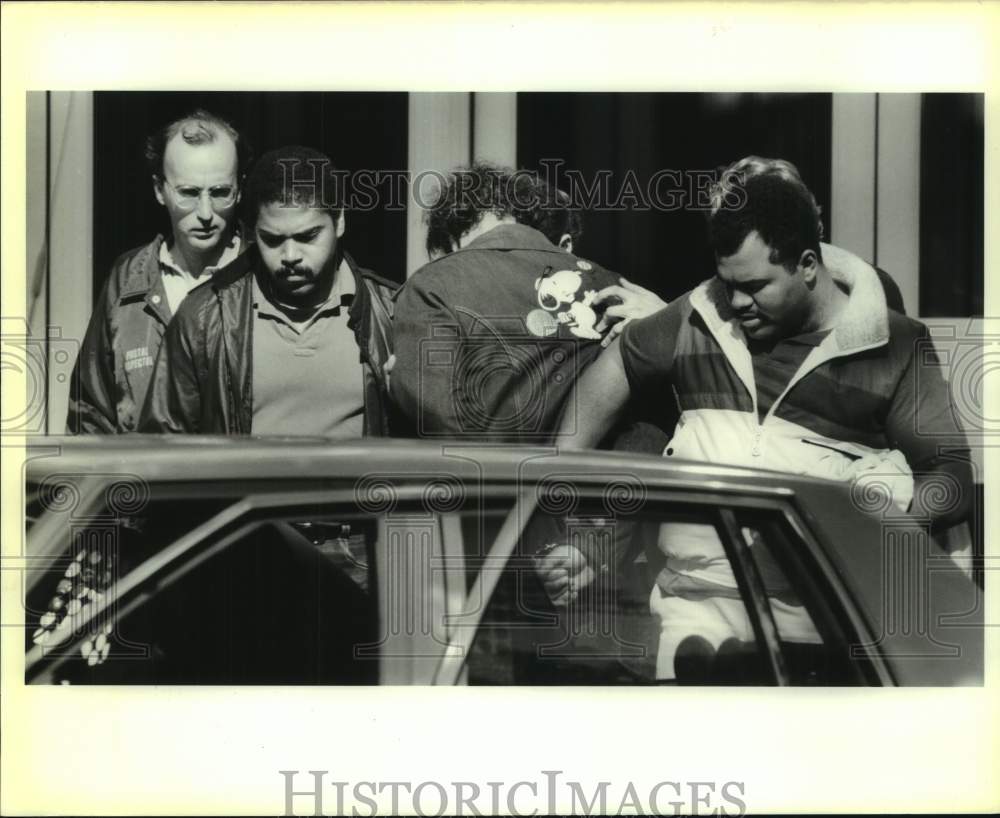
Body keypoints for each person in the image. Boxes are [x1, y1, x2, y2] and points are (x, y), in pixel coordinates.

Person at [540, 155, 973, 677]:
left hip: (827, 624)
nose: (738, 302)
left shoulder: (894, 343)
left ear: (807, 265)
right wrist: (564, 499)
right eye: (728, 285)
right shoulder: (699, 314)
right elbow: (615, 373)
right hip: (694, 621)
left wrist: (857, 525)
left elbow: (950, 480)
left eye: (756, 286)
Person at [139, 145, 395, 436]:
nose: (290, 256)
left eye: (307, 236)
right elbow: (161, 447)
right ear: (252, 234)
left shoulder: (393, 313)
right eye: (272, 240)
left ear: (339, 222)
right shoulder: (202, 318)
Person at [67, 109, 250, 433]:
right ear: (159, 189)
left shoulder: (262, 277)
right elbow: (90, 415)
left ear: (239, 189)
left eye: (220, 193)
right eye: (189, 193)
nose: (206, 213)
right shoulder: (127, 279)